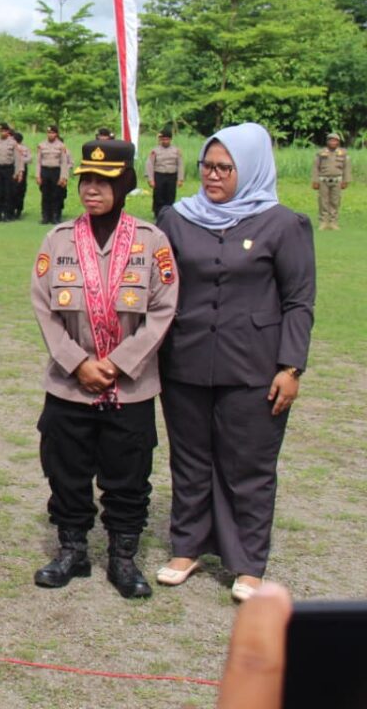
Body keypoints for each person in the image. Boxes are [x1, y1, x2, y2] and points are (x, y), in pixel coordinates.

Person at [155, 122, 315, 603]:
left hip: (255, 367)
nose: (213, 175)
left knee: (249, 464)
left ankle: (247, 562)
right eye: (207, 165)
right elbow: (159, 286)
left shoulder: (283, 224)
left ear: (250, 169)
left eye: (226, 168)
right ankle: (186, 547)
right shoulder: (177, 218)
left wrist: (291, 367)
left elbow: (299, 301)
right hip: (186, 361)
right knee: (189, 459)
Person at [30, 138, 178, 599]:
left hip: (128, 387)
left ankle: (122, 557)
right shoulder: (57, 240)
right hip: (70, 386)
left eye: (104, 181)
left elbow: (163, 308)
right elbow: (44, 308)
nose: (92, 190)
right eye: (86, 181)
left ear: (125, 183)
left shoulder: (151, 242)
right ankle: (72, 550)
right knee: (66, 471)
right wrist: (78, 364)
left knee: (128, 475)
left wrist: (117, 363)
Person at [311, 131, 351, 230]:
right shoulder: (321, 153)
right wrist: (315, 181)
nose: (333, 142)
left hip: (337, 180)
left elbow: (347, 168)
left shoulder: (343, 153)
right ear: (327, 142)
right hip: (323, 180)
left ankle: (333, 222)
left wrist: (346, 181)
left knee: (335, 201)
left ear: (338, 142)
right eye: (331, 140)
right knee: (323, 201)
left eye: (335, 141)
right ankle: (323, 222)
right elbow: (315, 167)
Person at [147, 128, 184, 220]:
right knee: (158, 195)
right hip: (159, 175)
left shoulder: (176, 151)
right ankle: (158, 213)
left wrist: (180, 178)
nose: (165, 141)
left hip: (172, 176)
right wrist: (150, 179)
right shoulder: (155, 151)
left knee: (170, 195)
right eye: (163, 139)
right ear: (160, 140)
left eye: (167, 139)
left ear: (170, 140)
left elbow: (180, 164)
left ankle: (168, 214)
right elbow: (150, 164)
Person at [36, 126, 69, 224]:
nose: (50, 135)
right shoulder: (41, 145)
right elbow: (38, 162)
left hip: (56, 171)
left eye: (52, 133)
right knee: (45, 195)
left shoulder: (61, 146)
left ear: (56, 134)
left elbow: (64, 162)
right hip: (45, 171)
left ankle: (56, 216)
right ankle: (45, 217)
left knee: (56, 195)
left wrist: (63, 177)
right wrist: (38, 175)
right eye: (49, 133)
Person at [0, 123, 19, 222]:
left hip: (9, 169)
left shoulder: (13, 143)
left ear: (8, 132)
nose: (3, 133)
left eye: (5, 131)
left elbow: (17, 159)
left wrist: (16, 172)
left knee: (8, 192)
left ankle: (7, 214)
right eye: (1, 131)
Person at [13, 131, 31, 219]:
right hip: (11, 169)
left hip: (23, 169)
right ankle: (11, 209)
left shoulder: (24, 148)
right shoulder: (11, 148)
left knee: (20, 190)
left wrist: (20, 160)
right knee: (11, 190)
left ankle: (18, 210)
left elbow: (29, 159)